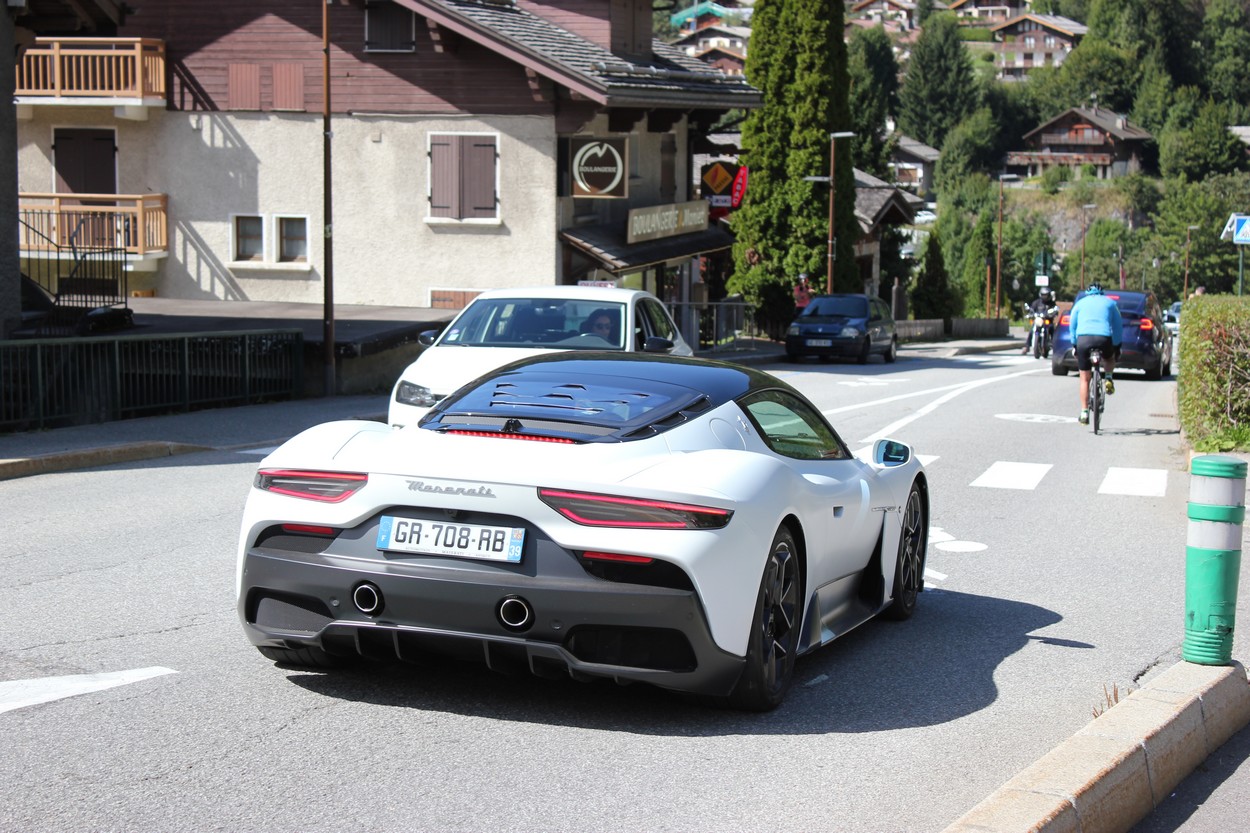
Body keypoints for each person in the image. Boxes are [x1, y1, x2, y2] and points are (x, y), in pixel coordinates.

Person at [1068, 283, 1122, 425]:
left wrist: (1074, 343)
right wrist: (1116, 345)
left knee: (1085, 379)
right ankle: (1108, 378)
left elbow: (1072, 325)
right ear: (1101, 293)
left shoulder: (1080, 304)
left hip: (1083, 340)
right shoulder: (1110, 303)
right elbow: (1117, 326)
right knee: (1109, 358)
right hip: (1103, 338)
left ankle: (1084, 412)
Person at [1022, 288, 1058, 354]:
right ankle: (1027, 346)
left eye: (1046, 295)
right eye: (1043, 295)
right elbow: (1031, 309)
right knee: (1032, 330)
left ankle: (1055, 347)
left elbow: (1055, 310)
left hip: (1048, 321)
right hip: (1039, 320)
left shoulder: (1051, 303)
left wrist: (1053, 313)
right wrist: (1030, 313)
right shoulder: (1037, 302)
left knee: (1053, 330)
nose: (1044, 296)